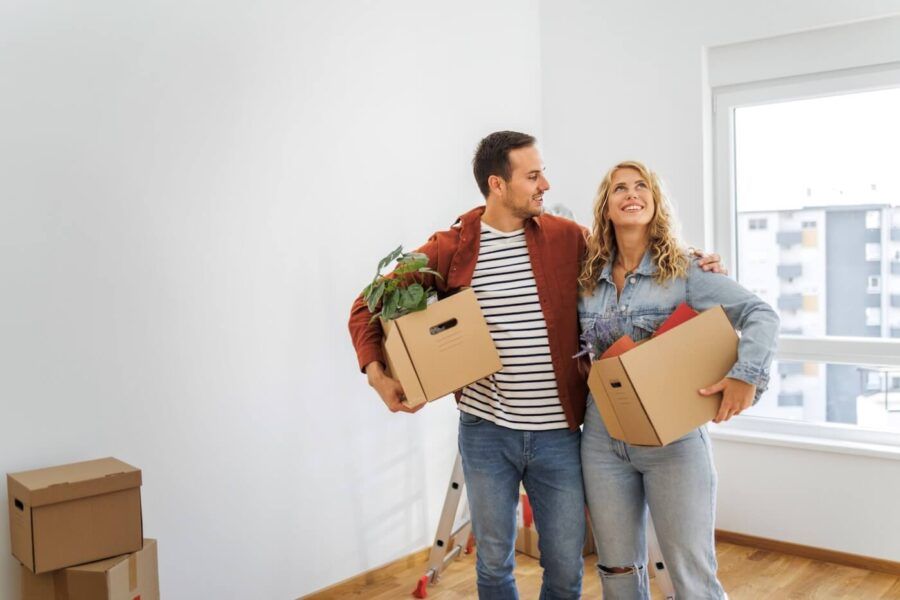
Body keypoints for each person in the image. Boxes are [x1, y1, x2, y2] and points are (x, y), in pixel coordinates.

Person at [348, 134, 723, 599]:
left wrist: (697, 264)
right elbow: (368, 304)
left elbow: (632, 257)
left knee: (566, 569)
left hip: (560, 437)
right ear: (497, 185)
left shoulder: (568, 240)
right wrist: (377, 375)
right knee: (492, 564)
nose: (545, 183)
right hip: (486, 432)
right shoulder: (453, 247)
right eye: (532, 175)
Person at [576, 160, 779, 599]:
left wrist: (746, 377)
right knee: (617, 570)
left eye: (641, 186)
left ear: (654, 200)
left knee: (691, 575)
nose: (631, 194)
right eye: (619, 189)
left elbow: (761, 314)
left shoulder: (687, 271)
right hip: (602, 440)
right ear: (606, 208)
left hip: (675, 444)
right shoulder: (586, 276)